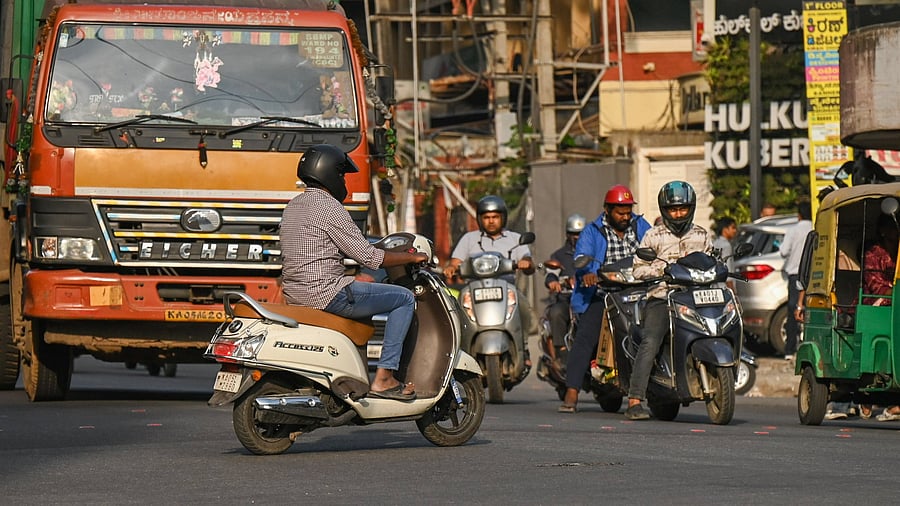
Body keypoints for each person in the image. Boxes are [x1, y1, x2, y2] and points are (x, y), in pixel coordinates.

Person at [281, 144, 429, 401]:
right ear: (330, 174)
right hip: (327, 294)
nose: (344, 181)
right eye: (342, 175)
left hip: (297, 294)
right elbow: (370, 257)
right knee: (404, 298)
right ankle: (384, 378)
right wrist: (411, 256)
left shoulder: (294, 205)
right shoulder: (329, 208)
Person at [558, 185, 651, 413]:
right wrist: (588, 272)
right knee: (586, 336)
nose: (625, 216)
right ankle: (572, 391)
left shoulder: (640, 225)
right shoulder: (592, 230)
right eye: (620, 212)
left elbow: (653, 246)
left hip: (639, 292)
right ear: (607, 210)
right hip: (604, 294)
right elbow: (582, 255)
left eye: (628, 211)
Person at [625, 181, 712, 420]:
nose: (678, 214)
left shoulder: (701, 235)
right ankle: (634, 399)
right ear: (664, 210)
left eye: (682, 209)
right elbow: (638, 270)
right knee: (651, 340)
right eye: (673, 210)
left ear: (691, 208)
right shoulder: (653, 236)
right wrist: (659, 272)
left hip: (696, 298)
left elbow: (713, 263)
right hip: (662, 298)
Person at [443, 195, 536, 350]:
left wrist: (526, 263)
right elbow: (455, 262)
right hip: (475, 291)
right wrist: (451, 268)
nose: (491, 221)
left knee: (524, 307)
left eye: (495, 217)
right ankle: (460, 350)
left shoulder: (515, 238)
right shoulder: (469, 238)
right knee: (456, 312)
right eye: (486, 217)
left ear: (503, 218)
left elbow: (527, 260)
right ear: (480, 219)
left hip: (507, 290)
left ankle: (522, 346)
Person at [543, 214, 586, 369]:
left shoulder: (592, 252)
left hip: (587, 298)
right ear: (567, 234)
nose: (577, 237)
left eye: (581, 233)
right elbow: (550, 273)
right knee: (556, 313)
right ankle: (560, 351)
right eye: (574, 234)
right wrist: (553, 282)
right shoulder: (559, 255)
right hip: (566, 299)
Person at [779, 200, 813, 360]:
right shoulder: (816, 227)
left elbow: (784, 251)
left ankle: (789, 350)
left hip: (795, 274)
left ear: (799, 215)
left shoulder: (793, 230)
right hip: (813, 274)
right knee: (812, 310)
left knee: (794, 310)